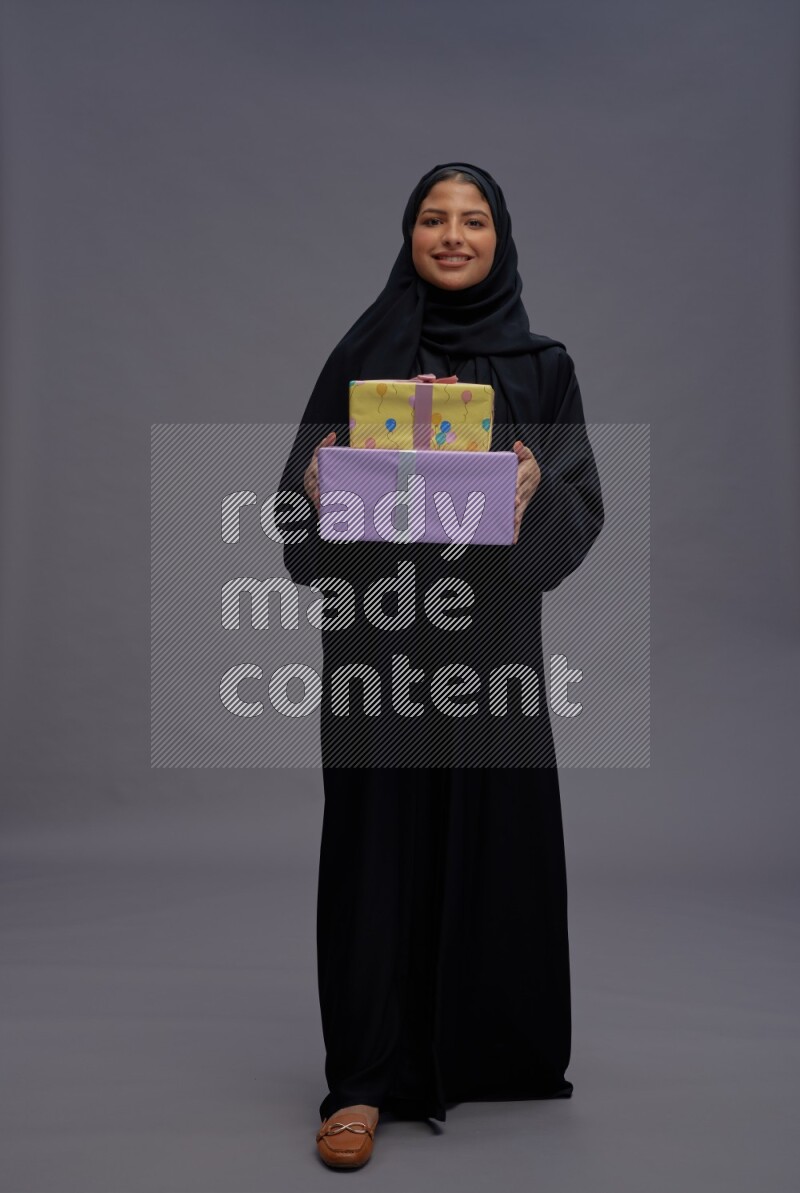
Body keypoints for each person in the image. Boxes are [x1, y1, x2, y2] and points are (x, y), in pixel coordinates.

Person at [277, 161, 604, 1169]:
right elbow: (292, 518)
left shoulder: (542, 366)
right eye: (432, 217)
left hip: (489, 645)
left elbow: (581, 512)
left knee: (490, 831)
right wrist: (322, 483)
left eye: (471, 220)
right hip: (377, 644)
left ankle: (481, 1047)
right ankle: (360, 1079)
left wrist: (531, 490)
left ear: (499, 238)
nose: (451, 235)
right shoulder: (361, 351)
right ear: (407, 233)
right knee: (375, 846)